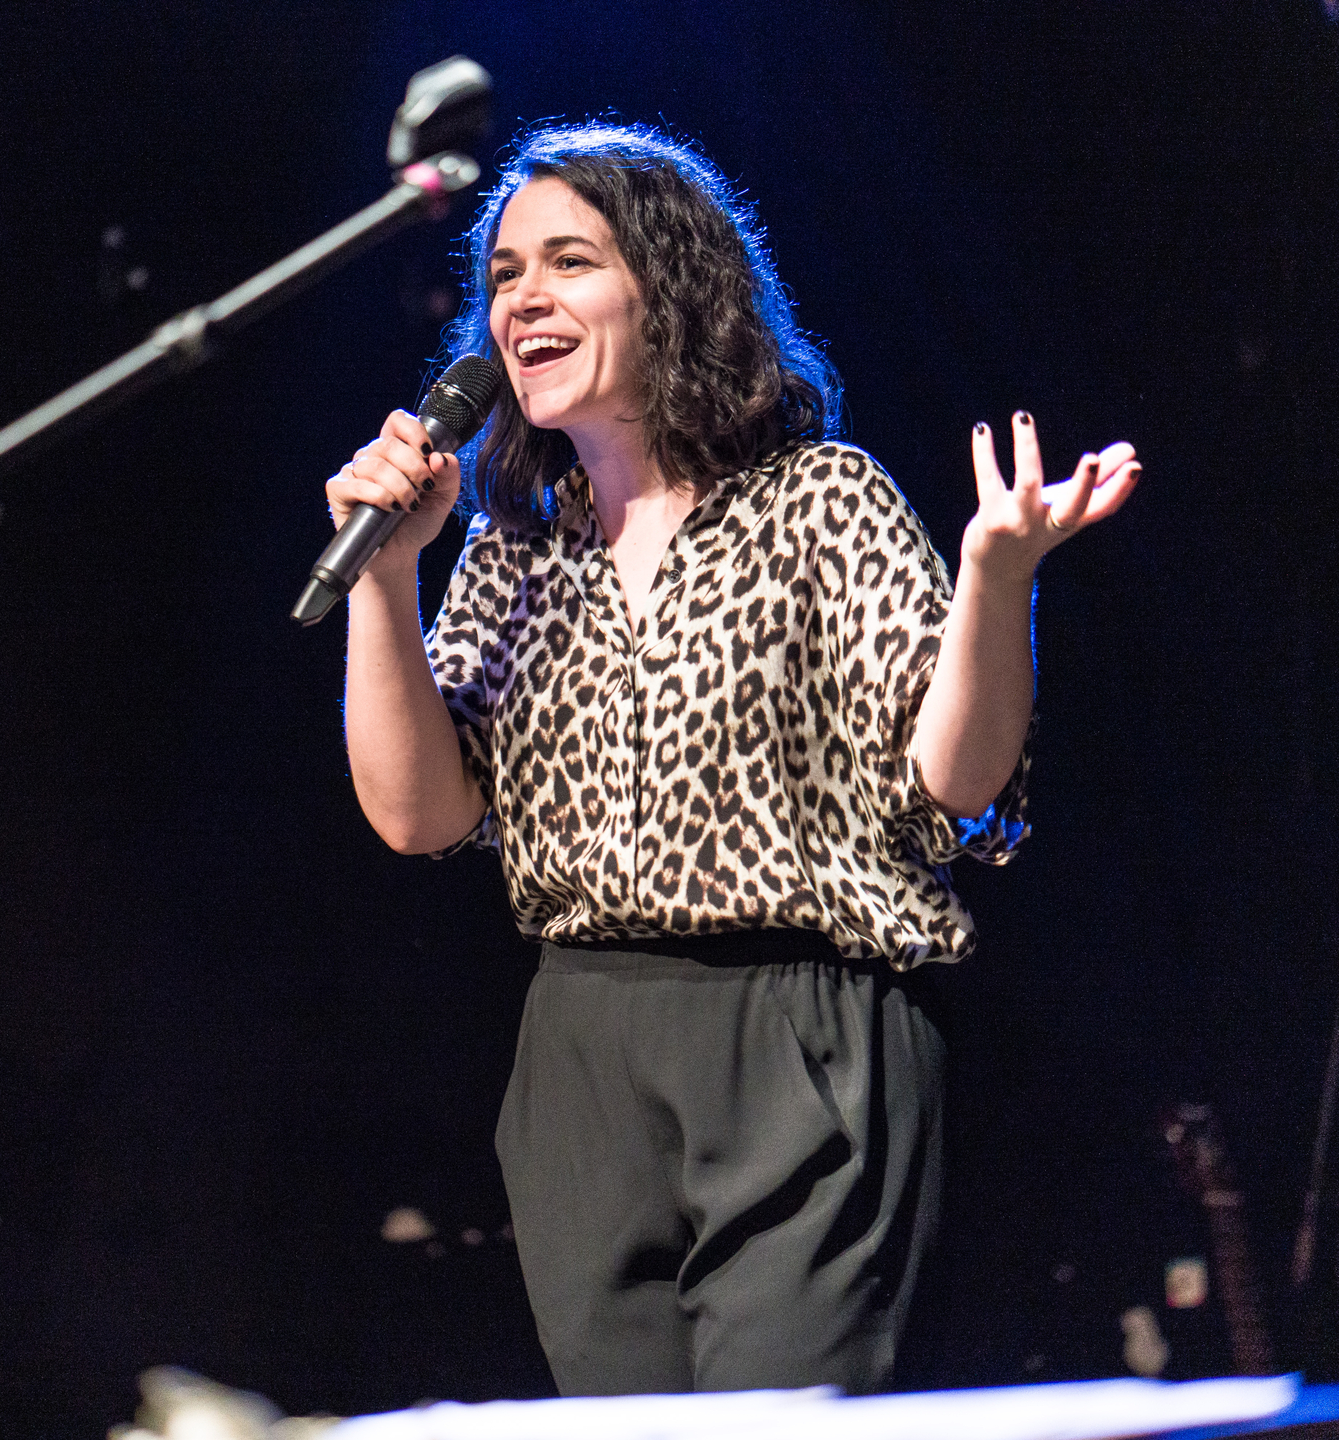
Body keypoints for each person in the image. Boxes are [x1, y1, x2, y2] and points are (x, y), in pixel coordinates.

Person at [324, 124, 1140, 1396]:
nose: (522, 298)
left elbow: (957, 786)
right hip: (583, 1049)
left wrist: (996, 579)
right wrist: (387, 579)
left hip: (797, 1032)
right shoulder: (515, 553)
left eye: (569, 263)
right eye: (502, 277)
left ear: (669, 291)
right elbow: (419, 817)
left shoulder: (819, 501)